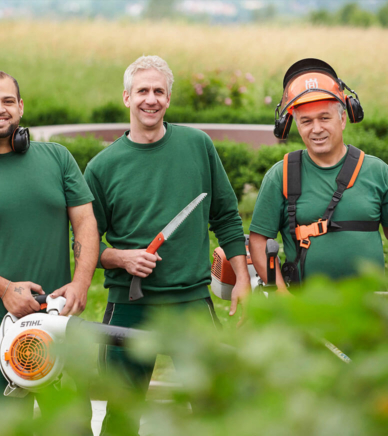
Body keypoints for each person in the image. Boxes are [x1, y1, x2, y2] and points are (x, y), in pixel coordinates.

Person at [84, 55, 251, 436]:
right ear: (126, 97)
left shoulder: (197, 145)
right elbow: (84, 245)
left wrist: (241, 278)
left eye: (159, 91)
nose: (151, 99)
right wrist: (120, 258)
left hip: (191, 303)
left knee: (215, 409)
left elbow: (225, 216)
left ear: (169, 99)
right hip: (129, 306)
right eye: (142, 90)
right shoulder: (102, 167)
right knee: (122, 418)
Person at [0, 70, 99, 435]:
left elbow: (85, 223)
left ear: (21, 106)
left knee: (72, 427)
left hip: (56, 322)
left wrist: (80, 283)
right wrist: (4, 289)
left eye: (6, 101)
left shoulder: (58, 158)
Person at [249, 58, 388, 288]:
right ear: (295, 125)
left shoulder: (378, 172)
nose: (316, 129)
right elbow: (258, 242)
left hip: (368, 312)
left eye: (325, 118)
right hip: (305, 310)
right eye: (306, 121)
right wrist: (285, 301)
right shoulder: (281, 174)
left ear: (343, 119)